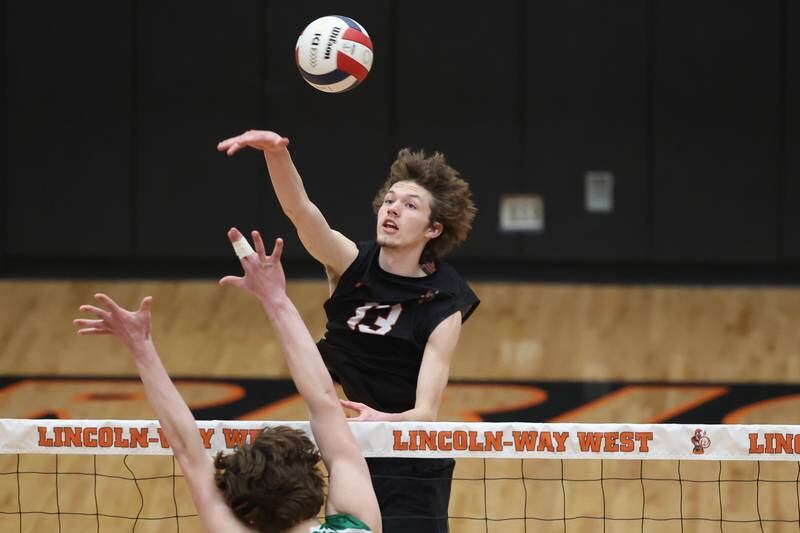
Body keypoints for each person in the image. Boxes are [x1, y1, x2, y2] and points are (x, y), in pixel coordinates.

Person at [218, 131, 479, 532]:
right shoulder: (349, 262)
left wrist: (383, 420)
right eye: (389, 200)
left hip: (408, 459)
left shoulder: (446, 301)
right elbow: (301, 211)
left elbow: (426, 412)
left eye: (410, 206)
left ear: (433, 230)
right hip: (351, 447)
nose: (392, 210)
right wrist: (276, 153)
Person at [73, 228, 381, 533]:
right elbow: (324, 400)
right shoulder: (356, 525)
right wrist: (276, 299)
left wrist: (141, 348)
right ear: (312, 483)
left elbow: (186, 448)